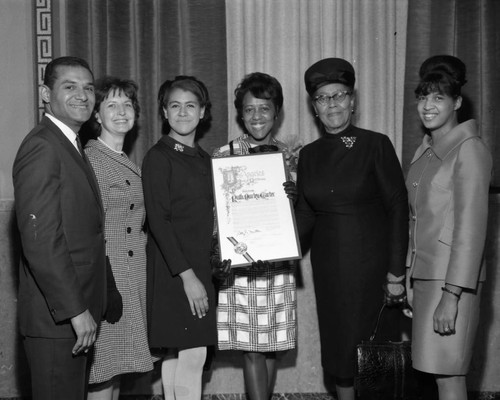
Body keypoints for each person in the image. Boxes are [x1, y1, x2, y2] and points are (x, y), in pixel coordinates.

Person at [295, 58, 409, 400]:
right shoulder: (309, 155)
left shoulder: (376, 144)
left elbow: (398, 207)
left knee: (374, 357)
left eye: (339, 95)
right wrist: (268, 249)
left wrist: (395, 274)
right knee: (340, 353)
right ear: (314, 108)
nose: (331, 104)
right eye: (322, 98)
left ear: (353, 101)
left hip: (372, 271)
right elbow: (305, 215)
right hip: (329, 269)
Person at [12, 56, 107, 400]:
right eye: (70, 87)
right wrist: (75, 309)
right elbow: (41, 241)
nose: (82, 95)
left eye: (88, 88)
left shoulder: (70, 144)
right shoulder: (42, 146)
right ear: (45, 93)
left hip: (75, 314)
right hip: (59, 319)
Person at [405, 55, 492, 400]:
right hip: (428, 279)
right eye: (423, 97)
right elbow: (419, 219)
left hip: (452, 283)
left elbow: (471, 231)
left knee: (450, 376)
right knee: (436, 374)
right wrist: (413, 276)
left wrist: (452, 296)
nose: (427, 106)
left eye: (438, 98)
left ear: (457, 102)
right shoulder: (426, 149)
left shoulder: (469, 149)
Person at [212, 72, 298, 400]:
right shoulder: (223, 155)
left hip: (276, 265)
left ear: (277, 112)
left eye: (264, 109)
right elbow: (216, 217)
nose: (257, 117)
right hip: (241, 263)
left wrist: (296, 196)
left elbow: (301, 217)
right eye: (249, 110)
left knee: (273, 347)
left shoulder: (289, 157)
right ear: (240, 114)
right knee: (252, 349)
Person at [142, 76, 218, 400]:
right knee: (192, 354)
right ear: (164, 111)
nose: (183, 113)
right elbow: (159, 222)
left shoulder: (205, 160)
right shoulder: (158, 157)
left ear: (202, 112)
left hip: (199, 266)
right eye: (175, 105)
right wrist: (187, 277)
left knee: (182, 355)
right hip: (177, 271)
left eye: (191, 106)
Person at [83, 76, 154, 399]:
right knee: (104, 373)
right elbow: (88, 230)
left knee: (119, 372)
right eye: (112, 105)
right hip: (111, 280)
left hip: (133, 276)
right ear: (96, 115)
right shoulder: (92, 160)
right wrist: (104, 285)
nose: (122, 111)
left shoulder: (126, 161)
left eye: (128, 104)